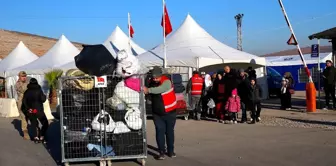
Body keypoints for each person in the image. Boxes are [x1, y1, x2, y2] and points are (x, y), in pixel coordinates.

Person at [143, 66, 177, 160]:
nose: (155, 79)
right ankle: (161, 152)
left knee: (169, 132)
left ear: (161, 75)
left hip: (170, 112)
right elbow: (148, 93)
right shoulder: (151, 82)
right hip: (157, 113)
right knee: (159, 132)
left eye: (156, 77)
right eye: (153, 77)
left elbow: (160, 89)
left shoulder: (167, 82)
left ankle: (171, 151)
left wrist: (148, 90)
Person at [22, 78, 48, 143]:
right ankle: (41, 136)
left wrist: (28, 108)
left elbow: (24, 101)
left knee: (33, 124)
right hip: (38, 110)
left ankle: (35, 137)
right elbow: (43, 99)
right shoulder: (39, 90)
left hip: (31, 110)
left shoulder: (27, 91)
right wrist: (44, 96)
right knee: (45, 123)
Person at [15, 71, 30, 140]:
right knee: (24, 118)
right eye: (22, 76)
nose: (24, 78)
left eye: (25, 76)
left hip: (29, 103)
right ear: (19, 77)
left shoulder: (28, 82)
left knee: (32, 117)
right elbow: (24, 90)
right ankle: (25, 133)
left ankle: (36, 132)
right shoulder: (18, 84)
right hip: (22, 103)